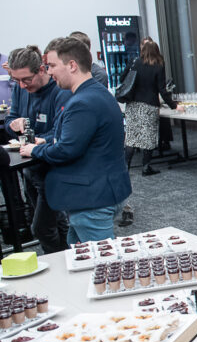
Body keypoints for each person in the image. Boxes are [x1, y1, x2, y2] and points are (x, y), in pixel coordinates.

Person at [23, 37, 131, 243]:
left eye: (52, 65)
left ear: (72, 65)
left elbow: (66, 150)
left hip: (92, 198)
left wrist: (33, 150)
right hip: (100, 192)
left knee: (104, 266)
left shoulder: (82, 102)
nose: (49, 71)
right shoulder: (97, 93)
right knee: (81, 258)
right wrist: (47, 142)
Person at [4, 46, 70, 253]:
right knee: (56, 222)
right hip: (29, 168)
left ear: (41, 70)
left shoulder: (60, 91)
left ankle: (58, 261)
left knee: (40, 227)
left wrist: (43, 140)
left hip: (53, 170)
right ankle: (65, 259)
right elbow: (9, 119)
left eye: (26, 80)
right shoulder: (20, 89)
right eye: (16, 80)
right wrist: (13, 125)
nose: (22, 86)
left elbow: (63, 133)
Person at [123, 38, 178, 176]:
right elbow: (162, 89)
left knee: (131, 137)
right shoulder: (158, 65)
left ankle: (125, 168)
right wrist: (174, 106)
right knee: (149, 137)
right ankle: (146, 167)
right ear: (157, 51)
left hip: (133, 104)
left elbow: (122, 79)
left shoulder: (134, 63)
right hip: (149, 105)